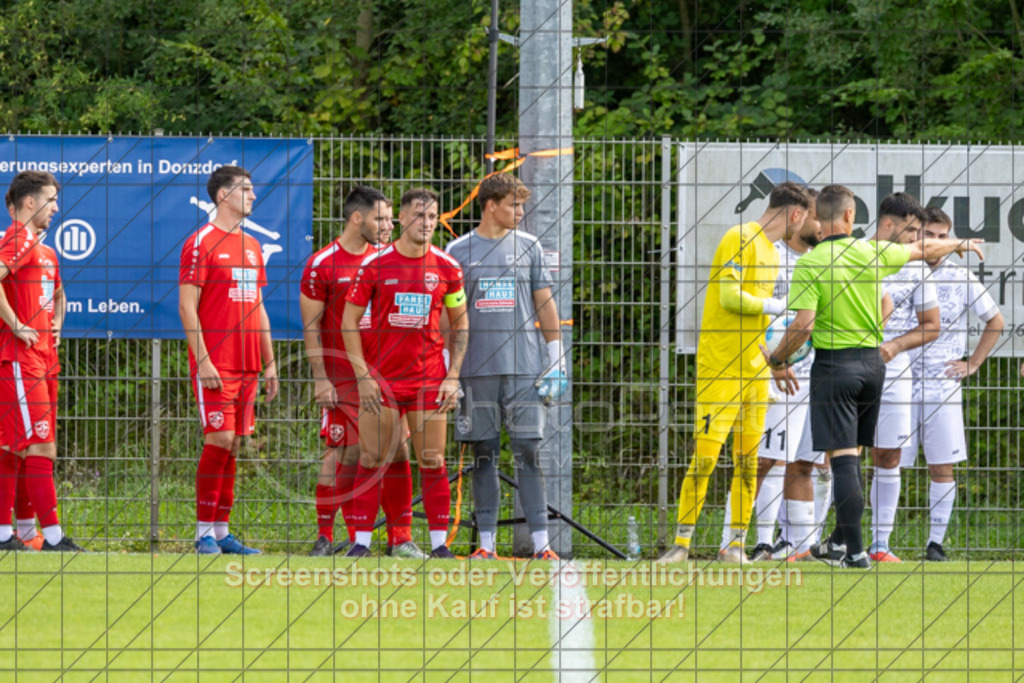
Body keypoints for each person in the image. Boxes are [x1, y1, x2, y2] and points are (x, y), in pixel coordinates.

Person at [766, 185, 984, 569]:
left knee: (844, 461)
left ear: (820, 219)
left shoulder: (812, 263)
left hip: (835, 367)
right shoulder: (872, 253)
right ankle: (839, 544)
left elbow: (802, 325)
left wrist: (777, 358)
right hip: (874, 367)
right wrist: (960, 244)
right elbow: (922, 251)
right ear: (850, 216)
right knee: (859, 458)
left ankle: (855, 552)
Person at [659, 181, 812, 564]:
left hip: (756, 371)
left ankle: (735, 547)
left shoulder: (774, 254)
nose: (806, 225)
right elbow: (730, 298)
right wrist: (782, 305)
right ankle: (681, 546)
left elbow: (760, 316)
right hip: (720, 369)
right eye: (806, 217)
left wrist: (773, 362)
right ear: (795, 214)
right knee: (706, 458)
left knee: (747, 461)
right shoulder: (738, 237)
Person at [444, 174, 566, 561]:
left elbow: (545, 303)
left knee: (529, 450)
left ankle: (543, 545)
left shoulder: (529, 246)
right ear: (491, 204)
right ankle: (486, 545)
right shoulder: (457, 250)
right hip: (476, 369)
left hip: (524, 368)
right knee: (484, 454)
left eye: (522, 205)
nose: (520, 212)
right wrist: (450, 368)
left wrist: (555, 357)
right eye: (514, 205)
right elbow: (451, 314)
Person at [342, 187, 468, 558]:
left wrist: (452, 375)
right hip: (380, 380)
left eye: (432, 217)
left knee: (432, 459)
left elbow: (461, 326)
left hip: (429, 378)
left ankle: (439, 546)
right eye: (418, 215)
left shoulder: (447, 267)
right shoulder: (375, 265)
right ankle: (361, 544)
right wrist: (362, 374)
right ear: (400, 218)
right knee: (371, 458)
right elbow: (348, 322)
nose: (426, 223)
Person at [300, 187, 426, 559]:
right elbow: (311, 326)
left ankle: (399, 537)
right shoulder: (322, 263)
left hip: (385, 374)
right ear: (358, 218)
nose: (388, 226)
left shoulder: (388, 261)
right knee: (347, 452)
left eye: (390, 219)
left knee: (397, 451)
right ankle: (326, 535)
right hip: (343, 376)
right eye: (380, 219)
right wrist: (321, 378)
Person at [179, 165, 278, 555]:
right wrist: (203, 360)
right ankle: (202, 532)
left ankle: (222, 532)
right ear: (223, 195)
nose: (254, 196)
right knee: (218, 440)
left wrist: (270, 363)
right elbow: (188, 307)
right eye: (246, 190)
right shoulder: (200, 242)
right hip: (216, 363)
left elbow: (258, 306)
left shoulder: (252, 246)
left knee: (235, 444)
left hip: (249, 363)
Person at [718, 188, 822, 561]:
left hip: (812, 374)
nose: (821, 226)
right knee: (762, 459)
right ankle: (741, 541)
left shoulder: (820, 260)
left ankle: (798, 544)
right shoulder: (769, 254)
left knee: (799, 461)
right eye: (815, 217)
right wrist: (774, 362)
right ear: (799, 217)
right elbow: (756, 317)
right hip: (775, 371)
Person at [901, 207, 1003, 561]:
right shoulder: (899, 269)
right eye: (930, 235)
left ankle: (935, 544)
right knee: (884, 462)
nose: (937, 243)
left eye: (945, 237)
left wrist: (972, 363)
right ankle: (877, 542)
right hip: (897, 381)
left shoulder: (960, 277)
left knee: (941, 466)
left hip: (941, 385)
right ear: (917, 235)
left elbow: (996, 321)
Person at [0, 170, 82, 551]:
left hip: (44, 358)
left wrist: (57, 324)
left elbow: (60, 294)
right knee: (40, 446)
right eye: (51, 200)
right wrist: (16, 324)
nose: (56, 208)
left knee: (15, 447)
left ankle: (12, 535)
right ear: (30, 202)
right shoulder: (17, 238)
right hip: (21, 359)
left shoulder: (44, 249)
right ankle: (51, 538)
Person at [865, 193, 940, 563]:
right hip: (843, 366)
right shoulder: (853, 255)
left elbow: (932, 327)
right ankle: (808, 543)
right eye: (911, 230)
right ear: (888, 224)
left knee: (888, 455)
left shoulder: (918, 268)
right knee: (829, 456)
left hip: (894, 373)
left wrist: (894, 346)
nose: (916, 238)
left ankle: (880, 545)